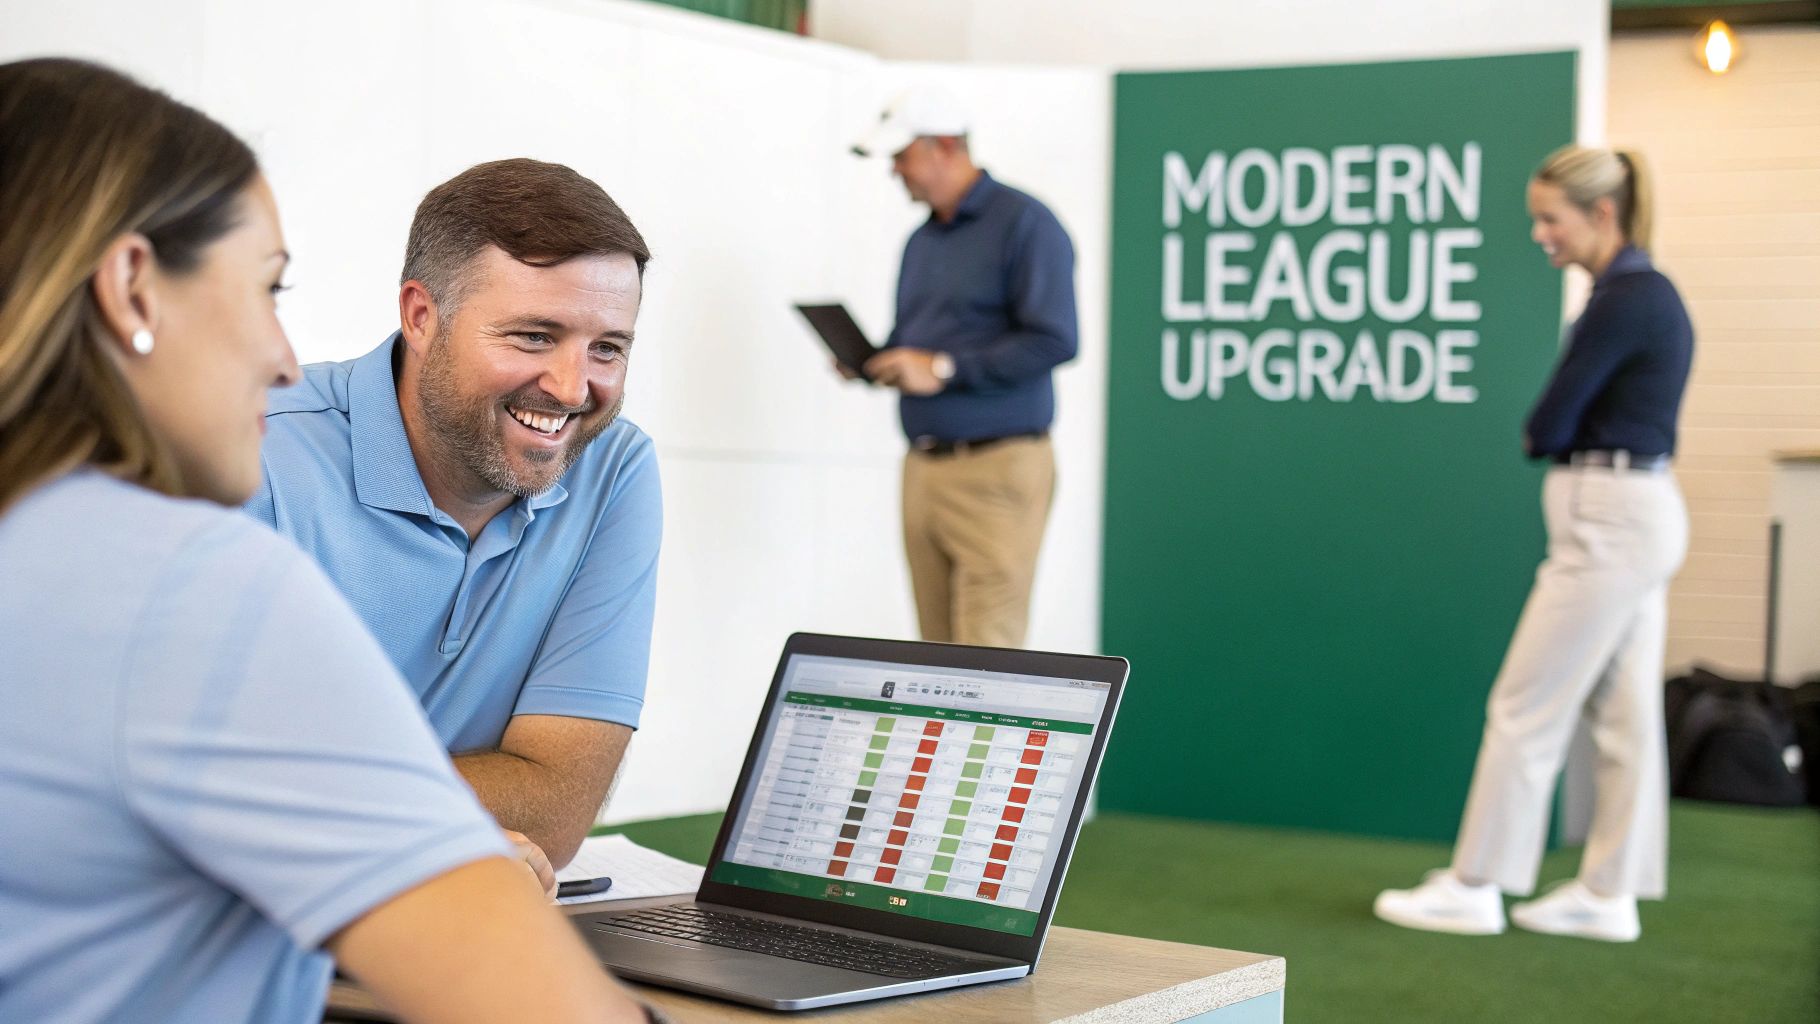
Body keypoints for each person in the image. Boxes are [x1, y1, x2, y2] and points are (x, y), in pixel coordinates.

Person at [0, 60, 655, 1023]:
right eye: (265, 289)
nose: (282, 359)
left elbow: (555, 808)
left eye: (605, 347)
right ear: (134, 288)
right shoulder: (188, 579)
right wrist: (415, 830)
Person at [246, 158, 661, 870]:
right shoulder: (249, 446)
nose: (572, 388)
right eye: (533, 336)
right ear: (421, 317)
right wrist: (439, 820)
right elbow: (202, 794)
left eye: (607, 349)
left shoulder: (614, 468)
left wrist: (323, 799)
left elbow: (556, 811)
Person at [1374, 145, 1693, 943]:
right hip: (1638, 512)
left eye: (1550, 218)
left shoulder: (1623, 300)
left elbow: (1545, 426)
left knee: (1526, 705)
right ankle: (1608, 894)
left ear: (1602, 213)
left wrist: (1550, 431)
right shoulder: (1641, 293)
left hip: (1610, 520)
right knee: (1623, 715)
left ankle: (1476, 885)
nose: (1540, 234)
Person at [847, 84, 1078, 650]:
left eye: (902, 156)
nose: (895, 171)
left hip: (996, 471)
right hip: (923, 469)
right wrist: (874, 361)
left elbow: (1055, 340)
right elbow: (918, 341)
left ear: (946, 146)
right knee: (936, 657)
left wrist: (944, 368)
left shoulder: (1026, 223)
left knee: (987, 655)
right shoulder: (922, 241)